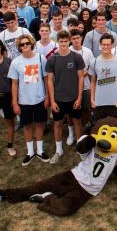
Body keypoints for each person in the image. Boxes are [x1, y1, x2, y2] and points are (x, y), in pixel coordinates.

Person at [8, 34, 50, 166]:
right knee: (27, 126)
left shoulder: (40, 58)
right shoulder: (15, 62)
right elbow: (14, 83)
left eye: (27, 43)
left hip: (39, 98)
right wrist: (14, 102)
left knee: (39, 124)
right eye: (22, 44)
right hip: (24, 100)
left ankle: (40, 150)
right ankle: (30, 152)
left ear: (31, 44)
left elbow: (46, 78)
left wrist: (47, 96)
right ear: (19, 47)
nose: (25, 46)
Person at [45, 30, 85, 165]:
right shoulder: (52, 59)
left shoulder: (77, 57)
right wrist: (52, 100)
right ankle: (58, 150)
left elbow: (81, 78)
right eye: (60, 41)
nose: (63, 43)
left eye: (65, 41)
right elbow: (49, 80)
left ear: (70, 41)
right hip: (59, 98)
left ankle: (81, 148)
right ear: (57, 42)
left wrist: (79, 97)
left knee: (77, 122)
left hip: (74, 97)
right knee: (58, 123)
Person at [89, 33, 117, 120]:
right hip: (99, 103)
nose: (106, 47)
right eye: (103, 44)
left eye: (108, 44)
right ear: (100, 45)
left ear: (112, 45)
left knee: (114, 130)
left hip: (114, 102)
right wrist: (92, 99)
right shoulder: (94, 62)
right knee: (99, 129)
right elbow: (92, 81)